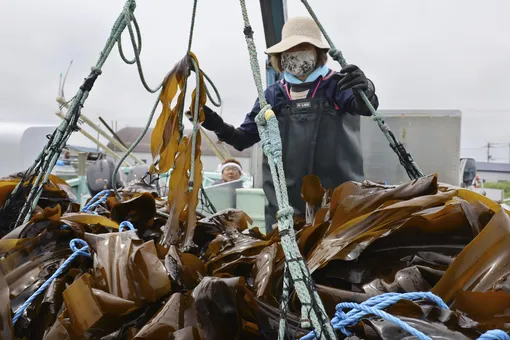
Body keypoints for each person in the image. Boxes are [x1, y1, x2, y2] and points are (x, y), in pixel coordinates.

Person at [200, 16, 379, 232]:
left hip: (340, 206)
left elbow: (364, 107)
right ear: (280, 56)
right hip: (284, 210)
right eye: (290, 49)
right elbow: (243, 138)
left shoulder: (337, 85)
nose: (295, 53)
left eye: (303, 47)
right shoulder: (273, 95)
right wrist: (216, 124)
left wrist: (365, 87)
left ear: (318, 52)